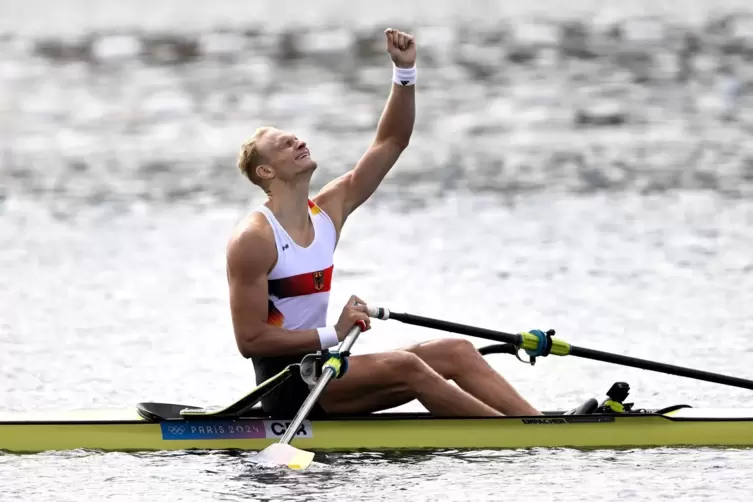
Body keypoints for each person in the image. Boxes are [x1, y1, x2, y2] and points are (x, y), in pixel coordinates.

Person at [226, 28, 542, 419]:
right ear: (266, 170)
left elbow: (390, 142)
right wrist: (335, 333)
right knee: (407, 367)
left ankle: (543, 424)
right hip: (292, 387)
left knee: (456, 351)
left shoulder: (328, 211)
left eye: (295, 137)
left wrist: (403, 73)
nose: (298, 142)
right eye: (284, 144)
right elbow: (250, 339)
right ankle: (521, 439)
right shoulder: (255, 238)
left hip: (324, 370)